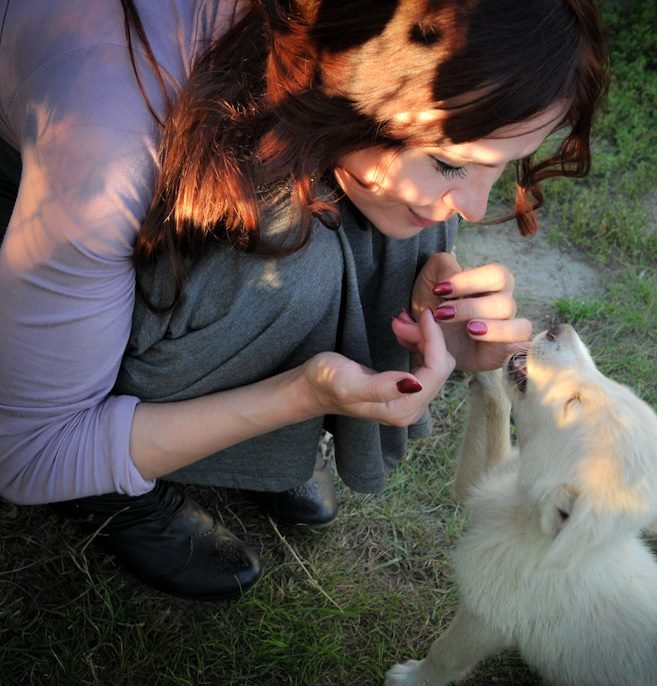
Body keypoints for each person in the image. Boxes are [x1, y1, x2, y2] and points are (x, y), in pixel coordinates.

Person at [0, 0, 608, 600]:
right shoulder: (106, 155)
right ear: (347, 75)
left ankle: (258, 452)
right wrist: (297, 395)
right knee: (296, 258)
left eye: (499, 164)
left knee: (403, 218)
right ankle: (109, 473)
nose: (477, 209)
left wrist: (429, 285)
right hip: (50, 168)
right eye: (451, 163)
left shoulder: (339, 44)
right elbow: (27, 452)